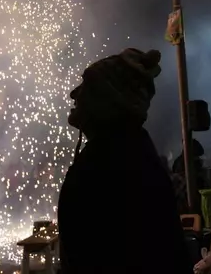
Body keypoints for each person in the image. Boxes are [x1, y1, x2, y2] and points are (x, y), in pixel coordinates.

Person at [57, 48, 191, 274]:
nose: (74, 94)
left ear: (108, 100)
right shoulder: (123, 150)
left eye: (87, 86)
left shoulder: (112, 163)